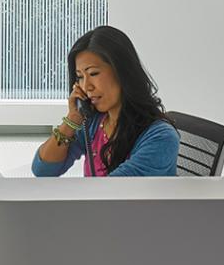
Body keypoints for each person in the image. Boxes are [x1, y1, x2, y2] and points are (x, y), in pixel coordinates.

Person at [32, 25, 179, 177]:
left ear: (122, 71)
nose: (86, 86)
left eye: (93, 73)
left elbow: (112, 194)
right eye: (80, 77)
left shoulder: (161, 138)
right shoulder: (93, 123)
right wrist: (72, 120)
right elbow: (42, 170)